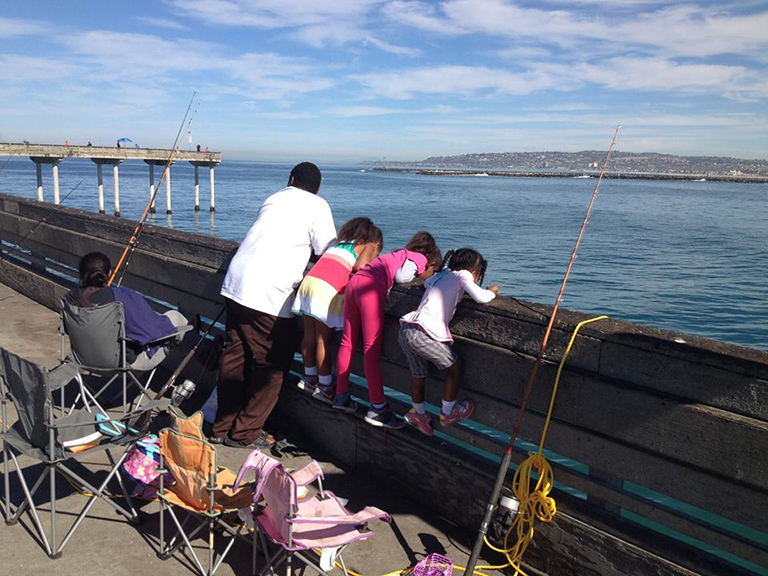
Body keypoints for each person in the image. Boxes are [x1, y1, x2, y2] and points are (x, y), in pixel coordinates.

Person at [214, 162, 336, 449]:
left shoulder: (274, 198)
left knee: (235, 356)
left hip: (236, 284)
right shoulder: (317, 206)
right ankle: (244, 433)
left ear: (291, 179)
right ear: (317, 188)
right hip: (269, 294)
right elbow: (328, 251)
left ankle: (221, 426)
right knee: (272, 366)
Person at [316, 232, 441, 429]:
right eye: (433, 271)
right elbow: (401, 275)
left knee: (347, 343)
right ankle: (377, 408)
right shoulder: (420, 258)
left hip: (354, 283)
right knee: (370, 350)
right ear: (431, 262)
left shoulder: (397, 253)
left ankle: (341, 396)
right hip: (370, 290)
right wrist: (417, 273)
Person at [397, 248, 499, 436]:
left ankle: (418, 413)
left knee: (418, 374)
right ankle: (447, 413)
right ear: (474, 272)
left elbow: (427, 282)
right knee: (454, 366)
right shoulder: (463, 275)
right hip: (422, 333)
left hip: (406, 330)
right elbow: (480, 297)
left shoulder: (442, 274)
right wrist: (491, 292)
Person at [292, 217, 383, 392]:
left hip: (309, 283)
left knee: (309, 335)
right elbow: (361, 266)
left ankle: (309, 377)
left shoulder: (338, 244)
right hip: (325, 289)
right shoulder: (370, 243)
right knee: (322, 340)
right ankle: (325, 386)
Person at [64, 252, 189, 371]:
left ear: (81, 276)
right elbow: (151, 333)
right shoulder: (121, 296)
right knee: (175, 317)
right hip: (124, 363)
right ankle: (198, 363)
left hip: (83, 358)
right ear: (109, 273)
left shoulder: (70, 300)